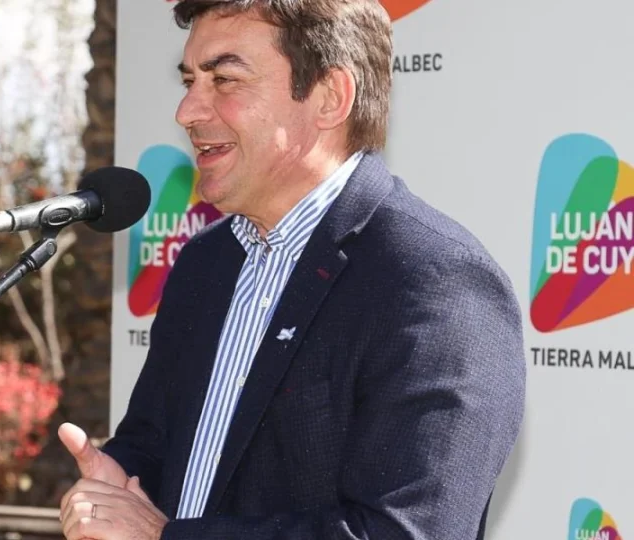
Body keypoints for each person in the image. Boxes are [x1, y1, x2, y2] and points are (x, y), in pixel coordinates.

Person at [56, 0, 527, 539]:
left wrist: (164, 537)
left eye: (225, 80)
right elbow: (156, 445)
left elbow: (404, 531)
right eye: (189, 82)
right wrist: (120, 482)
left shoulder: (435, 280)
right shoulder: (204, 263)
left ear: (330, 97)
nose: (186, 111)